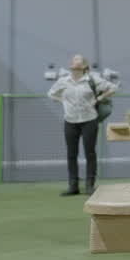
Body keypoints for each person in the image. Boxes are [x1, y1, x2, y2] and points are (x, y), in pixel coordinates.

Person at [48, 54, 118, 196]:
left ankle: (89, 186)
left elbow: (113, 88)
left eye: (78, 61)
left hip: (89, 120)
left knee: (90, 153)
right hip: (70, 120)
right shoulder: (64, 81)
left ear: (84, 66)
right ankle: (73, 186)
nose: (75, 62)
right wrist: (63, 101)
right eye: (73, 60)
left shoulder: (92, 79)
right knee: (71, 154)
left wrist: (98, 98)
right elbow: (51, 93)